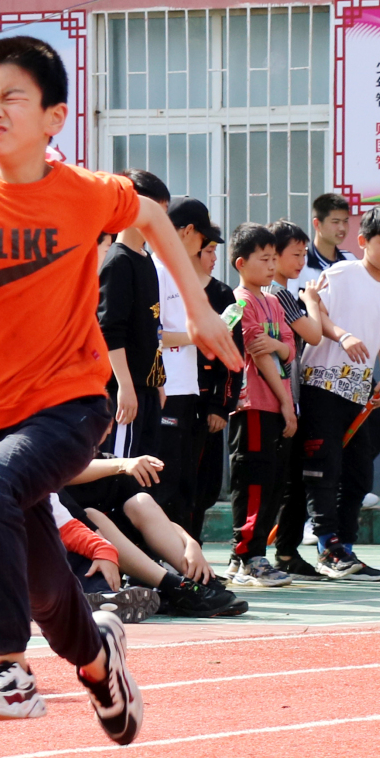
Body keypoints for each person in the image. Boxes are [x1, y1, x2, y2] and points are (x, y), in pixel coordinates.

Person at [0, 34, 239, 744]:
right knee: (49, 586)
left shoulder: (80, 192)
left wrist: (200, 308)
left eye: (12, 96)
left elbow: (146, 212)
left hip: (70, 400)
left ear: (54, 116)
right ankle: (97, 660)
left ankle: (8, 670)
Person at [299, 206, 380, 582]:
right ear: (363, 242)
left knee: (359, 474)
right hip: (320, 384)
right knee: (323, 469)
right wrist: (342, 335)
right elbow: (315, 313)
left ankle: (345, 546)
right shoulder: (343, 272)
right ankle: (326, 545)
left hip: (359, 394)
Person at [59, 455, 248, 617]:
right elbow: (59, 474)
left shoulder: (111, 464)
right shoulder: (45, 464)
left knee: (141, 501)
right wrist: (122, 464)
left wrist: (190, 543)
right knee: (93, 515)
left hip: (110, 554)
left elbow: (155, 517)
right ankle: (173, 587)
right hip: (69, 554)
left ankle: (200, 583)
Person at [222, 223, 299, 589]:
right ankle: (248, 555)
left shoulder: (272, 302)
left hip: (277, 405)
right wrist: (286, 401)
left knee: (272, 481)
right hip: (254, 404)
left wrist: (279, 347)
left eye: (274, 258)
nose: (271, 266)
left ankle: (248, 557)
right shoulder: (241, 302)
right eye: (263, 259)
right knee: (252, 480)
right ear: (240, 263)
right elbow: (258, 349)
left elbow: (287, 348)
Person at [262, 218, 324, 574]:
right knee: (285, 480)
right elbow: (313, 334)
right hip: (281, 395)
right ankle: (279, 551)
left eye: (303, 254)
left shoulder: (277, 293)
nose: (301, 262)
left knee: (288, 479)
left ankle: (285, 551)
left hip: (286, 393)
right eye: (294, 254)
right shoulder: (281, 294)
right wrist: (312, 300)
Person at [151, 198, 215, 530]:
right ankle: (157, 561)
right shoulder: (157, 271)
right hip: (166, 389)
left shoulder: (179, 273)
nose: (204, 246)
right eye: (203, 238)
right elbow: (154, 335)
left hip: (186, 388)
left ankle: (184, 560)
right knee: (166, 480)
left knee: (185, 480)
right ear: (188, 232)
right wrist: (197, 334)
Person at [98, 170, 168, 458]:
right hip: (126, 389)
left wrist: (159, 382)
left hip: (147, 388)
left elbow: (153, 326)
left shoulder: (146, 258)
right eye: (157, 211)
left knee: (146, 469)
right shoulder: (118, 261)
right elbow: (110, 330)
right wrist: (125, 386)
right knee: (123, 468)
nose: (161, 221)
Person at [189, 236, 238, 541]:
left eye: (216, 252)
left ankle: (195, 557)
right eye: (209, 251)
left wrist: (221, 405)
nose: (214, 257)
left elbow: (232, 355)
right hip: (173, 401)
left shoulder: (222, 294)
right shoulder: (167, 286)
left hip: (207, 407)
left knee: (205, 487)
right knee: (174, 483)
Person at [299, 191, 356, 292]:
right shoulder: (300, 263)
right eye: (335, 222)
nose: (342, 228)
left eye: (345, 221)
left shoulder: (351, 261)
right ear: (317, 224)